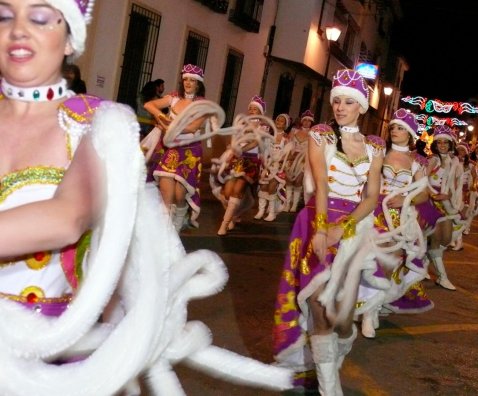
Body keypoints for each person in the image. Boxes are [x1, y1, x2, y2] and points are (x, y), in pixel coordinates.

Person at [0, 1, 293, 393]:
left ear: (70, 38)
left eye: (39, 16)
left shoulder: (94, 123)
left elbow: (67, 217)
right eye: (4, 14)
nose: (18, 29)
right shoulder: (169, 102)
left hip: (54, 357)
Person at [273, 69, 384, 395]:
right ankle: (328, 389)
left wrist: (344, 228)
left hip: (353, 229)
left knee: (344, 321)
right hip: (316, 221)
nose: (340, 107)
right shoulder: (320, 136)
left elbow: (372, 197)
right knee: (320, 308)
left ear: (361, 107)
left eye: (349, 102)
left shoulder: (375, 148)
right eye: (337, 101)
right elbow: (321, 184)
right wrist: (322, 230)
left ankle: (331, 362)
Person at [358, 109, 434, 339]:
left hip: (399, 218)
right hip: (374, 211)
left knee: (390, 263)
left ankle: (374, 306)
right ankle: (368, 310)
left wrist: (405, 199)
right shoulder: (380, 153)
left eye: (400, 128)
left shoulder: (415, 162)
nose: (394, 131)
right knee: (369, 260)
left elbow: (424, 194)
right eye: (392, 127)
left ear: (410, 134)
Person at [143, 64, 207, 231]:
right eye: (185, 79)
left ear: (198, 84)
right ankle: (165, 234)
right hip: (170, 149)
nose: (187, 83)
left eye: (192, 80)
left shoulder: (203, 105)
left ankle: (179, 219)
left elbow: (192, 128)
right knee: (166, 196)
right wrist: (161, 115)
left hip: (189, 151)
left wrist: (170, 125)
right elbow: (149, 105)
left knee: (180, 196)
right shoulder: (173, 98)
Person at [214, 95, 269, 235]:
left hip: (251, 161)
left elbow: (256, 142)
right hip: (236, 160)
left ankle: (224, 224)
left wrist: (241, 149)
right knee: (227, 193)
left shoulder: (264, 126)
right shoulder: (241, 123)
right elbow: (234, 139)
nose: (251, 110)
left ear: (261, 112)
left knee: (237, 190)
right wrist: (232, 147)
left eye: (255, 108)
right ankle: (236, 211)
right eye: (250, 108)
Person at [425, 125, 464, 290]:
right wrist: (434, 195)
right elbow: (422, 181)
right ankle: (442, 277)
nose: (442, 145)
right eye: (439, 142)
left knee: (446, 239)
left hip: (446, 204)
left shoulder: (454, 163)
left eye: (445, 143)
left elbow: (456, 185)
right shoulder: (433, 160)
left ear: (450, 145)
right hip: (430, 203)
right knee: (436, 239)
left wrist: (449, 197)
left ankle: (424, 263)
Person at [254, 113, 292, 221]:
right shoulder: (269, 135)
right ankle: (261, 210)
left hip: (278, 167)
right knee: (263, 187)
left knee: (272, 188)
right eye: (277, 120)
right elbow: (264, 150)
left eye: (281, 121)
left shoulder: (286, 138)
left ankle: (272, 212)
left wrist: (280, 162)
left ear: (286, 125)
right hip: (267, 165)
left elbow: (287, 154)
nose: (278, 122)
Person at [284, 109, 315, 212]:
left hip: (303, 161)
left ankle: (294, 205)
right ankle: (287, 204)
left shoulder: (313, 133)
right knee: (289, 181)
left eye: (309, 121)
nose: (306, 122)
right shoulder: (294, 131)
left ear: (311, 122)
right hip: (292, 158)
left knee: (298, 182)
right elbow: (288, 144)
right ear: (302, 121)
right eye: (305, 120)